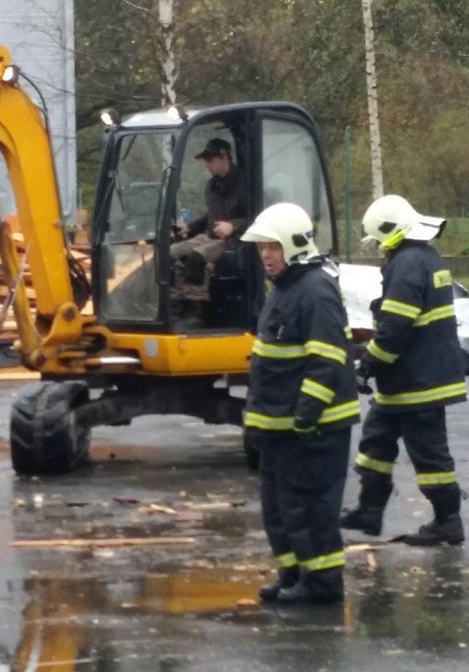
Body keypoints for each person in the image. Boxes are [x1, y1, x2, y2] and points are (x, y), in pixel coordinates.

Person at [242, 203, 360, 605]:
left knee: (311, 508)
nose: (267, 256)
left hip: (313, 429)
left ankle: (323, 585)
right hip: (281, 427)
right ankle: (293, 574)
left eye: (273, 247)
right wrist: (255, 423)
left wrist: (307, 416)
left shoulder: (314, 291)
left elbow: (326, 360)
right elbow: (268, 363)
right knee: (279, 508)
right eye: (262, 249)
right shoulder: (285, 291)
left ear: (293, 246)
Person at [341, 194, 466, 546]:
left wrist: (366, 365)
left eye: (378, 240)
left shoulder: (407, 264)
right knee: (375, 442)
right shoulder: (423, 258)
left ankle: (448, 522)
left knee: (429, 455)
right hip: (408, 379)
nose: (378, 247)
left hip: (419, 383)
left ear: (390, 232)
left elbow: (395, 328)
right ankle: (369, 510)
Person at [170, 137, 248, 325]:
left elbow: (256, 215)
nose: (207, 165)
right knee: (170, 253)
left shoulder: (245, 184)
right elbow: (210, 216)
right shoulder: (212, 186)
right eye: (206, 161)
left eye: (210, 160)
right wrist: (191, 227)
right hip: (209, 236)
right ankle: (176, 303)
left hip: (231, 240)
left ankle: (196, 309)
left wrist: (233, 226)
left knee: (197, 256)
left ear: (224, 157)